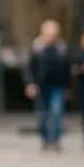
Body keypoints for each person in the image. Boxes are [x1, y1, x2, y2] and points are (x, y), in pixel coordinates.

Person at [25, 20, 70, 151]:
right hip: (40, 86)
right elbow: (29, 68)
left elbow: (66, 69)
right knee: (42, 115)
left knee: (56, 112)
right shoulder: (36, 49)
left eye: (53, 34)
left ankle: (55, 139)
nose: (51, 37)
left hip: (57, 86)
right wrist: (30, 84)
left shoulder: (61, 49)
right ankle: (45, 138)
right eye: (48, 34)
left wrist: (68, 87)